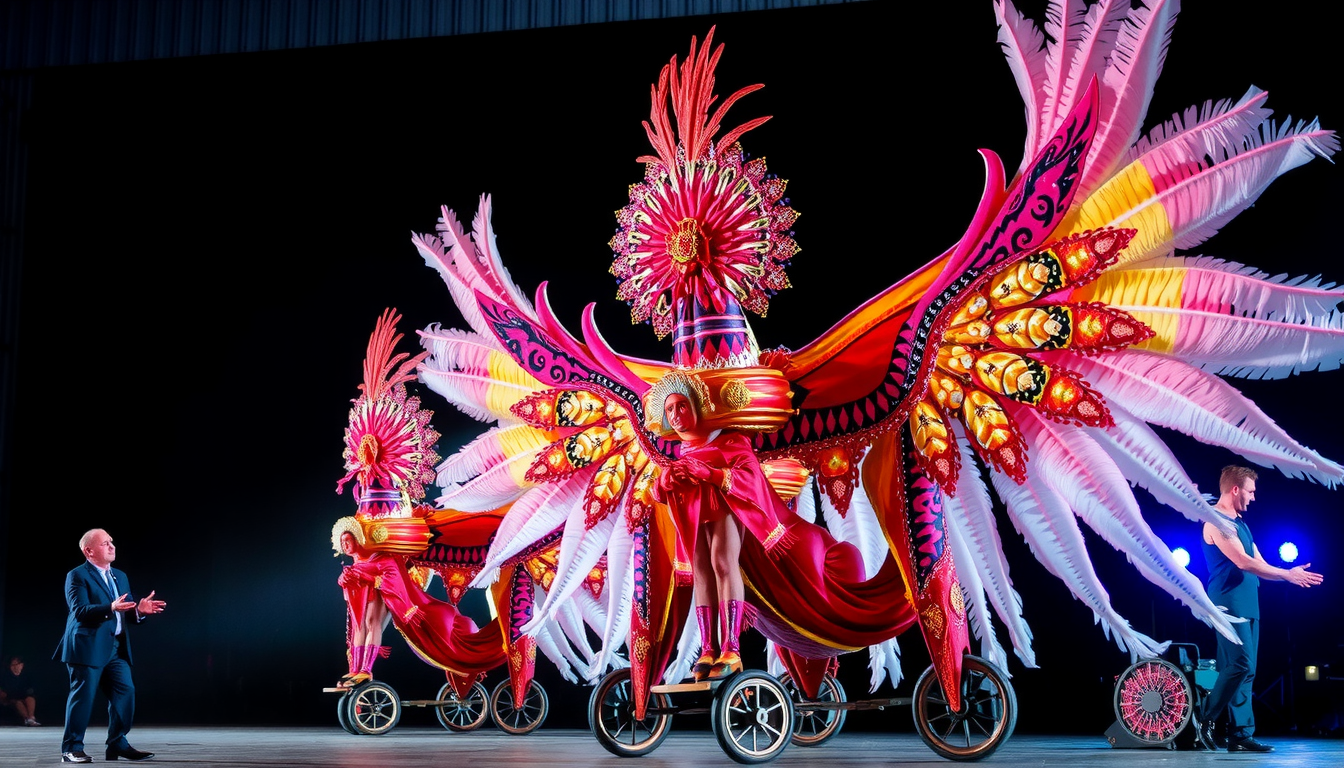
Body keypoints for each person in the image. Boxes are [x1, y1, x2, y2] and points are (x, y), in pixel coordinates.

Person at [651, 371, 794, 681]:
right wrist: (665, 481)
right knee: (701, 570)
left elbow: (751, 478)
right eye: (670, 409)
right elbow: (658, 492)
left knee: (722, 563)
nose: (675, 415)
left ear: (698, 407)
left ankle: (732, 649)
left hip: (725, 508)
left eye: (681, 406)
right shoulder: (683, 450)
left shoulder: (730, 440)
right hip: (694, 515)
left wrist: (712, 474)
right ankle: (707, 648)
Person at [1194, 466, 1324, 753]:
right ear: (1235, 489)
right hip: (1228, 602)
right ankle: (1204, 718)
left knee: (1247, 670)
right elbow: (1242, 561)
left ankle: (1240, 735)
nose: (1253, 497)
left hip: (1248, 601)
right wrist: (1286, 574)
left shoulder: (1240, 523)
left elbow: (1260, 563)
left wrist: (1289, 574)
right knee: (1239, 664)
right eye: (1250, 491)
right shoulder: (1216, 521)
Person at [54, 529, 166, 764]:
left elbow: (123, 610)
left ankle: (117, 743)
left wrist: (139, 611)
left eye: (111, 542)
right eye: (105, 543)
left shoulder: (120, 576)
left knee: (126, 692)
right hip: (87, 647)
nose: (112, 546)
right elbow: (80, 611)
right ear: (89, 551)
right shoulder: (77, 575)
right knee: (83, 698)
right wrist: (110, 607)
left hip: (116, 648)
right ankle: (71, 748)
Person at [332, 518, 392, 688]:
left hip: (379, 590)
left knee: (372, 622)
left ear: (357, 539)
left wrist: (363, 576)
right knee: (358, 627)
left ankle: (366, 669)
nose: (345, 545)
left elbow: (387, 575)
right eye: (342, 542)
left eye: (347, 540)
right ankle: (355, 669)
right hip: (363, 592)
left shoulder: (377, 556)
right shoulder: (356, 562)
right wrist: (344, 578)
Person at [1, 655, 39, 725]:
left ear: (21, 665)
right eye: (12, 665)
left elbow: (30, 689)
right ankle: (27, 718)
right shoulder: (5, 676)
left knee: (30, 698)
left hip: (23, 696)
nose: (15, 667)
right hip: (11, 698)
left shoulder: (26, 676)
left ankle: (31, 717)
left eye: (17, 664)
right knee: (18, 702)